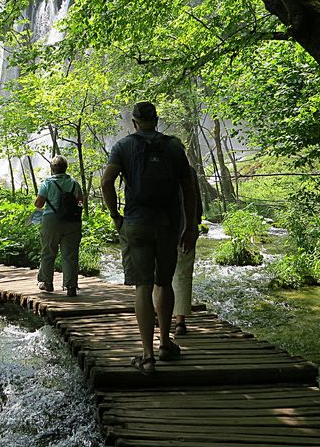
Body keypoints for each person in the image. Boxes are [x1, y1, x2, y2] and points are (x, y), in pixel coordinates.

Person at [101, 101, 198, 375]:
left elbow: (107, 181)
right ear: (157, 120)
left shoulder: (123, 146)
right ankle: (165, 344)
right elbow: (188, 189)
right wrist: (190, 226)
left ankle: (146, 356)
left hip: (135, 222)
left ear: (134, 122)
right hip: (168, 223)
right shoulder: (173, 146)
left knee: (142, 286)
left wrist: (115, 216)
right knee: (164, 283)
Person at [35, 155, 84, 297]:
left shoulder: (47, 183)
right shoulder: (74, 183)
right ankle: (71, 286)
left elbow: (39, 204)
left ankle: (47, 282)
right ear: (65, 168)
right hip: (72, 221)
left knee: (48, 251)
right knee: (70, 254)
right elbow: (80, 201)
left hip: (51, 220)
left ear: (52, 169)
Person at [173, 165, 204, 335]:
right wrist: (195, 224)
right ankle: (180, 321)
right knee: (183, 274)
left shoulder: (158, 167)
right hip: (186, 226)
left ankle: (158, 313)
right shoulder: (189, 170)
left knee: (158, 272)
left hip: (161, 227)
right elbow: (196, 200)